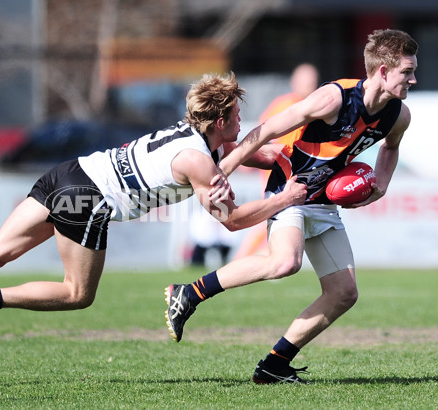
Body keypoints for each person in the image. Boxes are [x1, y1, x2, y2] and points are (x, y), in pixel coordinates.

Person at [0, 72, 307, 349]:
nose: (241, 121)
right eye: (235, 114)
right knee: (78, 294)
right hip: (89, 199)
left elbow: (230, 152)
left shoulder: (191, 136)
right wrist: (284, 199)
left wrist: (267, 156)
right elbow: (231, 220)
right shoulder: (198, 161)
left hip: (70, 172)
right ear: (219, 120)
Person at [164, 29, 418, 384]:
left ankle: (275, 365)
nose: (413, 78)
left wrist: (382, 183)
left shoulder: (398, 115)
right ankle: (189, 293)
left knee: (344, 294)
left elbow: (390, 148)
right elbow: (266, 131)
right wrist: (226, 167)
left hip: (324, 200)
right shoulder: (334, 98)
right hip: (290, 187)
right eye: (407, 72)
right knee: (285, 262)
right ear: (382, 72)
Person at [235, 63, 319, 259]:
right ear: (294, 82)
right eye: (306, 80)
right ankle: (241, 259)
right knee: (270, 214)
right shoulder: (284, 104)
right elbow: (262, 132)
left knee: (288, 216)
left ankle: (270, 256)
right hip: (278, 172)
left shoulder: (320, 106)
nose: (310, 84)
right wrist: (247, 157)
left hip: (304, 173)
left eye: (312, 80)